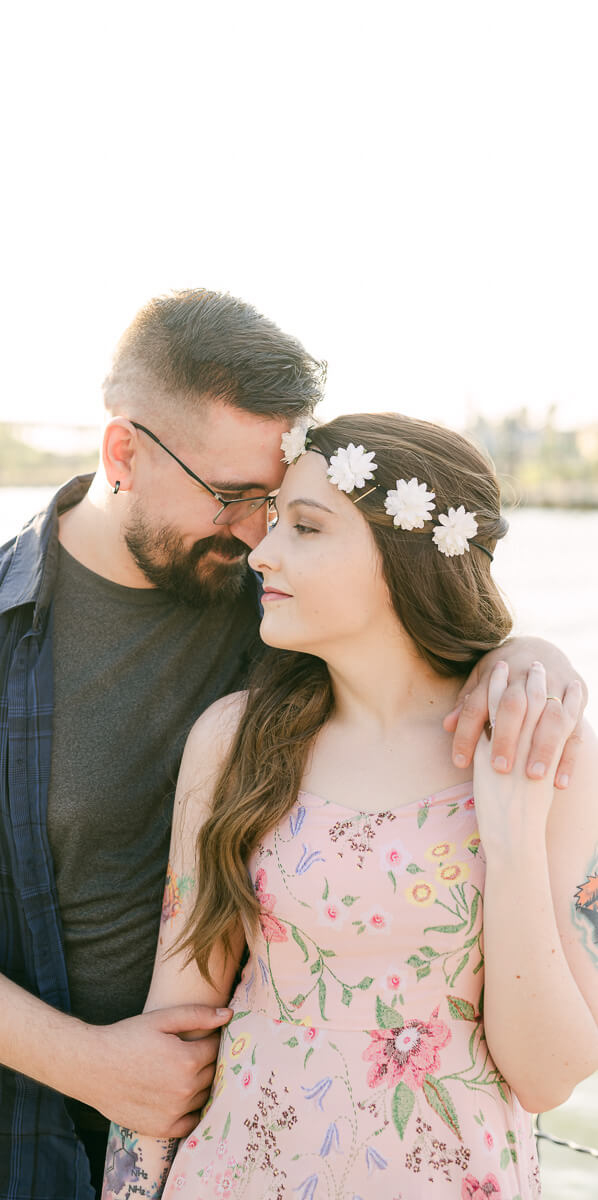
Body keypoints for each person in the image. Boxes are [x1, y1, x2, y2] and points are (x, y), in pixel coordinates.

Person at [0, 291, 586, 1200]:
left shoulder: (270, 600)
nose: (257, 534)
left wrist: (518, 657)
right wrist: (94, 1065)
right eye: (232, 497)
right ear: (123, 454)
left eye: (276, 500)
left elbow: (399, 607)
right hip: (42, 1122)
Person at [101, 413, 598, 1200]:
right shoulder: (233, 743)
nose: (262, 552)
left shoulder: (541, 746)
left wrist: (508, 837)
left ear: (402, 557)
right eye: (274, 525)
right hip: (236, 1174)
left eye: (304, 527)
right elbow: (174, 1032)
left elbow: (546, 1077)